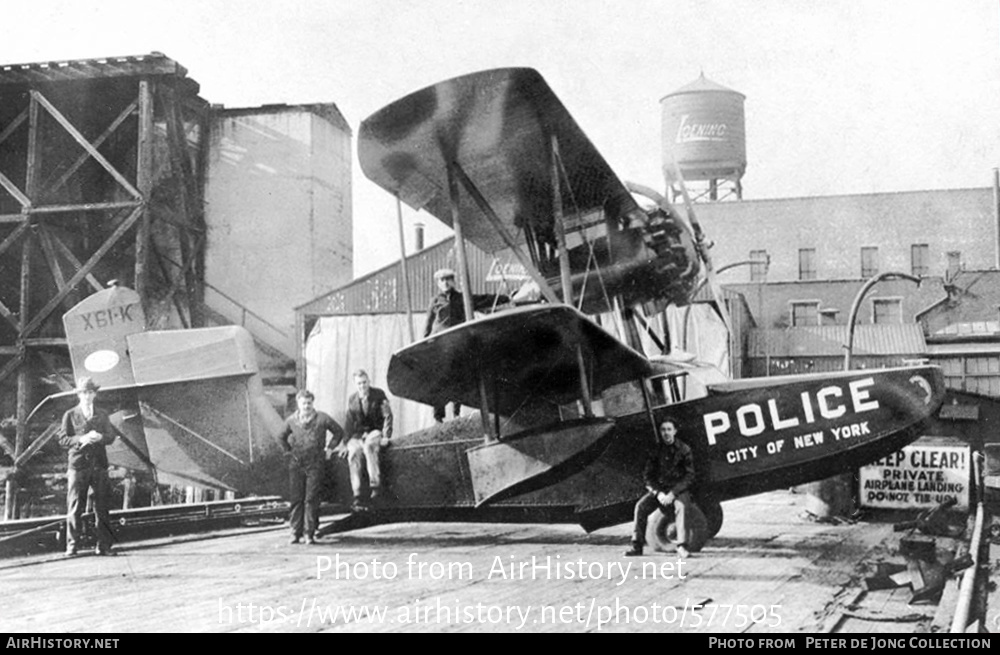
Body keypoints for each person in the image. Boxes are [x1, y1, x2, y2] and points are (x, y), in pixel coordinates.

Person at [424, 268, 508, 421]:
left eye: (448, 279)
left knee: (458, 376)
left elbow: (484, 299)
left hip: (457, 343)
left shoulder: (463, 298)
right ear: (438, 283)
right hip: (440, 344)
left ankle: (456, 413)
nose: (445, 282)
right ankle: (438, 417)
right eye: (442, 280)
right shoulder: (435, 301)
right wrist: (424, 343)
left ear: (453, 281)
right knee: (440, 378)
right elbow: (428, 324)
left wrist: (505, 298)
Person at [58, 376, 125, 557]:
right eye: (83, 393)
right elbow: (63, 439)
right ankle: (72, 546)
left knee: (102, 506)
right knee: (75, 505)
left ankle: (104, 546)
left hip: (99, 465)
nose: (86, 396)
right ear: (78, 395)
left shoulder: (102, 414)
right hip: (78, 465)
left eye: (89, 392)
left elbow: (110, 436)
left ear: (94, 394)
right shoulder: (70, 415)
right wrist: (81, 439)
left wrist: (100, 437)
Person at [624, 417, 696, 559]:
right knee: (641, 506)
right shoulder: (656, 451)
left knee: (681, 507)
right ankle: (636, 545)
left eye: (669, 429)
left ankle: (681, 546)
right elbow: (647, 476)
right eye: (663, 430)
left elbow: (689, 476)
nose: (666, 433)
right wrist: (658, 494)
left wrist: (673, 493)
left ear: (675, 431)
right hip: (660, 491)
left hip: (677, 490)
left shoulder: (684, 449)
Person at [277, 389, 343, 544]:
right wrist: (288, 452)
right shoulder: (292, 421)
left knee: (311, 498)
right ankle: (295, 532)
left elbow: (338, 432)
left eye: (309, 403)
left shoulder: (322, 418)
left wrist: (330, 448)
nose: (306, 406)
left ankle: (309, 533)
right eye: (303, 403)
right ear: (298, 404)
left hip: (316, 463)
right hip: (297, 463)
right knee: (296, 498)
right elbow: (281, 436)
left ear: (313, 403)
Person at [337, 369, 392, 510]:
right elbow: (349, 423)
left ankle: (375, 487)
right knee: (354, 452)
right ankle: (358, 494)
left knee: (369, 448)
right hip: (358, 434)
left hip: (375, 431)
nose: (362, 386)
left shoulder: (378, 394)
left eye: (364, 382)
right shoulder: (352, 399)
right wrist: (344, 443)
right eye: (359, 384)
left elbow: (387, 415)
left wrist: (386, 435)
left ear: (369, 381)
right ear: (356, 385)